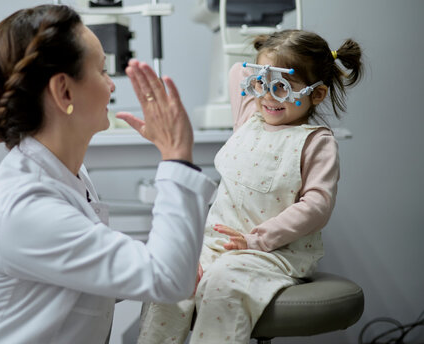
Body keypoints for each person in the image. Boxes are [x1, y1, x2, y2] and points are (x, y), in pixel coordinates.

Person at [0, 4, 216, 344]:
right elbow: (167, 279)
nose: (111, 88)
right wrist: (176, 155)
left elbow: (84, 275)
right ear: (64, 92)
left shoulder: (67, 174)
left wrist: (167, 263)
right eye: (102, 71)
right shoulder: (25, 206)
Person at [138, 29, 363, 344]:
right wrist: (267, 63)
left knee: (223, 284)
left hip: (274, 251)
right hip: (216, 242)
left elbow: (316, 207)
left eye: (282, 86)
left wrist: (256, 239)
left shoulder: (317, 142)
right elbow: (238, 71)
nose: (268, 96)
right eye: (261, 83)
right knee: (171, 279)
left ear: (318, 94)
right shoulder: (249, 116)